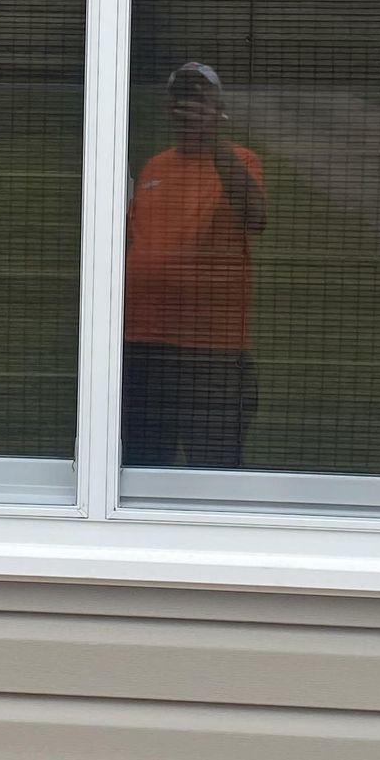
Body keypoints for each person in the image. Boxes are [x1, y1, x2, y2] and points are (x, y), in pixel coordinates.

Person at [122, 62, 267, 470]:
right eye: (181, 98)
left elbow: (255, 216)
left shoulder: (240, 160)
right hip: (145, 347)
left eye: (199, 97)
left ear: (218, 106)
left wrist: (213, 140)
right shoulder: (154, 167)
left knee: (214, 472)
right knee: (143, 471)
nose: (189, 106)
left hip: (212, 354)